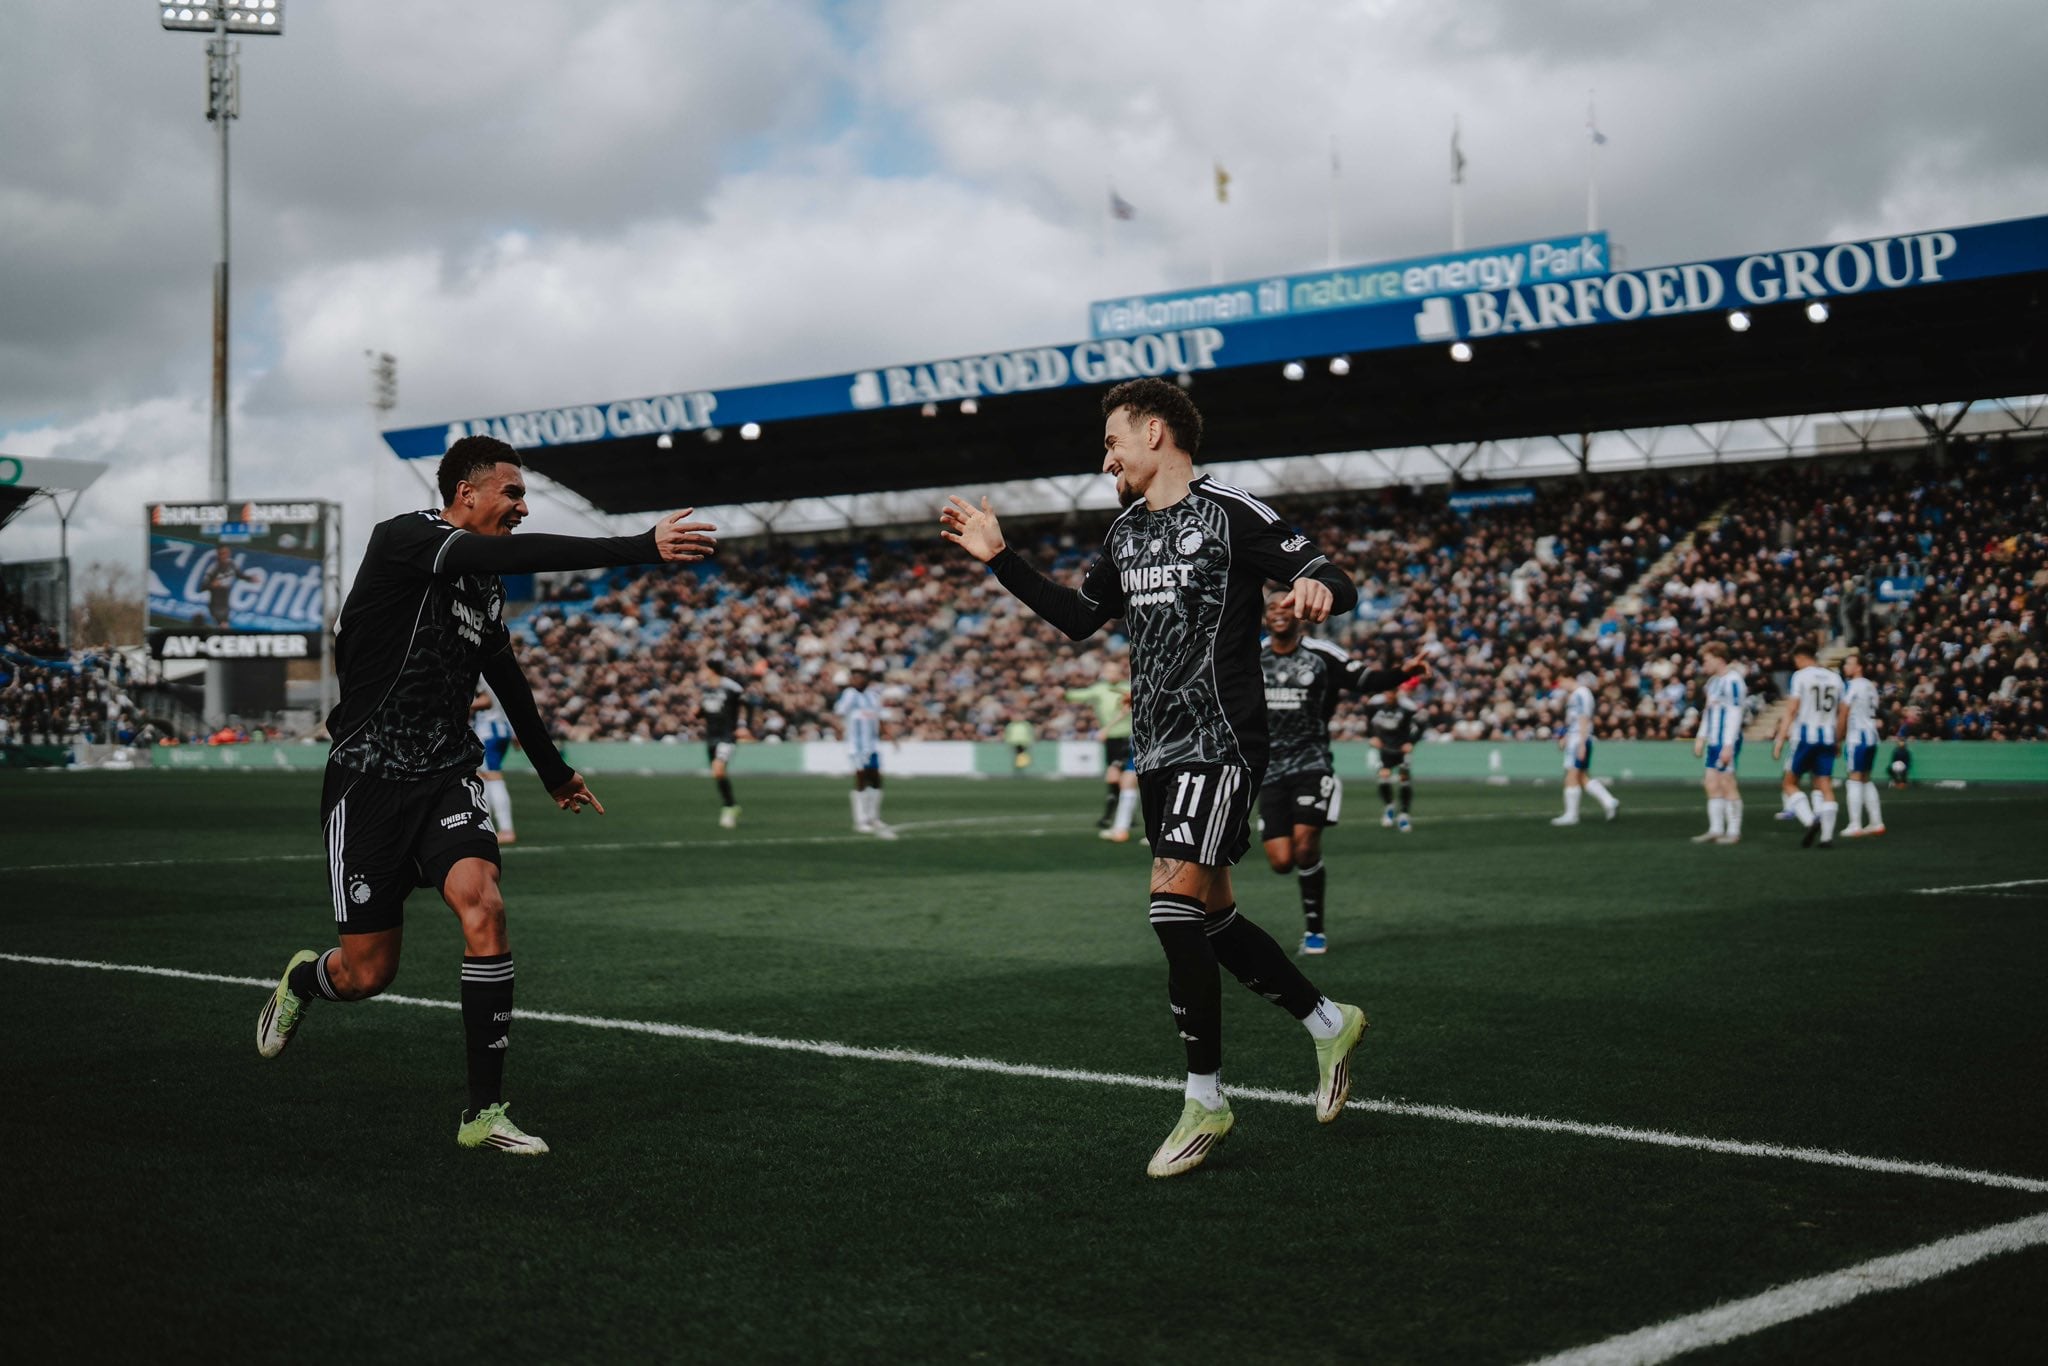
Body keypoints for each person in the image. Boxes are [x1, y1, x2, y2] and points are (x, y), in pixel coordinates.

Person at [940, 376, 1367, 1180]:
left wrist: (1318, 588)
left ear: (1156, 433)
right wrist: (1001, 560)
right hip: (1159, 751)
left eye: (1112, 442)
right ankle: (1326, 1021)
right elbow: (1077, 619)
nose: (1106, 460)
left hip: (1223, 742)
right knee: (1211, 920)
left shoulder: (1235, 514)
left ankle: (1205, 1099)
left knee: (1170, 909)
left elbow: (1329, 574)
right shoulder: (1128, 531)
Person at [253, 434, 716, 1155]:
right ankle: (305, 982)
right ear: (465, 493)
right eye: (513, 493)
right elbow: (496, 554)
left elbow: (506, 677)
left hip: (445, 775)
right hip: (368, 781)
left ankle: (483, 1114)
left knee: (485, 904)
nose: (522, 507)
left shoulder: (484, 588)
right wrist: (636, 545)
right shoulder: (407, 540)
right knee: (368, 972)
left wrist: (554, 771)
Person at [1259, 594, 1426, 954]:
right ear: (1265, 617)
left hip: (1312, 760)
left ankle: (1315, 930)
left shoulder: (1322, 654)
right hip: (1268, 767)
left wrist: (1403, 673)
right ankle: (1307, 870)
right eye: (1272, 608)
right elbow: (1211, 688)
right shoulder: (1251, 656)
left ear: (1300, 614)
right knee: (1281, 861)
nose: (1279, 613)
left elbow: (1365, 679)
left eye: (1286, 607)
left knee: (1305, 846)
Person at [1773, 643, 1845, 849]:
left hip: (1806, 737)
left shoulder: (1801, 676)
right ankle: (1827, 837)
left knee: (1789, 783)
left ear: (1799, 658)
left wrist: (1780, 739)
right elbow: (1842, 714)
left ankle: (1810, 820)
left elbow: (1792, 710)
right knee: (1824, 785)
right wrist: (1838, 740)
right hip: (1828, 737)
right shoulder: (1835, 678)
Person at [1065, 658, 1138, 841]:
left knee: (1122, 778)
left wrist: (1106, 728)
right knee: (1120, 779)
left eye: (1113, 670)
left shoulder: (1128, 687)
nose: (1110, 673)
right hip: (1112, 740)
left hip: (1128, 738)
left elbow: (1130, 709)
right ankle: (1122, 821)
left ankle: (1114, 819)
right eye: (1108, 670)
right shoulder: (1099, 689)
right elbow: (1080, 695)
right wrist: (1064, 694)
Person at [1690, 643, 1745, 845]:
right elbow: (1709, 711)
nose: (1703, 664)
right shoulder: (1713, 682)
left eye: (1706, 659)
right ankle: (1715, 829)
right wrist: (1701, 737)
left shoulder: (1733, 681)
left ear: (1718, 658)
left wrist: (1728, 745)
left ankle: (1733, 832)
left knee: (1727, 782)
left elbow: (1735, 713)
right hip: (1714, 740)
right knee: (1711, 783)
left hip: (1725, 741)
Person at [1551, 671, 1620, 826]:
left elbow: (1584, 718)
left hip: (1579, 739)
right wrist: (1566, 737)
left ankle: (1571, 815)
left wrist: (1581, 743)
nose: (1560, 686)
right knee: (1581, 777)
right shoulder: (1578, 694)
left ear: (1568, 677)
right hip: (1576, 738)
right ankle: (1609, 802)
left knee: (1571, 776)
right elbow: (1575, 720)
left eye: (1560, 681)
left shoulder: (1581, 693)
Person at [835, 667, 894, 839]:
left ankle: (873, 817)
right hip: (857, 746)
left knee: (876, 780)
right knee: (861, 779)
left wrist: (890, 736)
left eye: (859, 677)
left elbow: (879, 718)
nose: (855, 680)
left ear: (867, 679)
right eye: (853, 677)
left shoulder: (873, 696)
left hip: (873, 745)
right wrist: (839, 731)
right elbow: (838, 714)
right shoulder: (849, 695)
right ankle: (860, 821)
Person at [1367, 679, 1424, 834]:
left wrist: (1411, 742)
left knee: (1404, 778)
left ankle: (1404, 814)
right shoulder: (1375, 705)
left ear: (1397, 692)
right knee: (1383, 776)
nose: (1389, 695)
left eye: (1392, 692)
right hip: (1385, 747)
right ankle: (1389, 806)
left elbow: (1421, 724)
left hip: (1401, 748)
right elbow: (1368, 721)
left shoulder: (1407, 707)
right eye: (1387, 692)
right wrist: (1372, 736)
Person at [1840, 653, 1887, 838]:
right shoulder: (1871, 686)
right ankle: (1876, 822)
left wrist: (1837, 737)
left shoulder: (1851, 686)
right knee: (1866, 778)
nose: (1846, 667)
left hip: (1857, 737)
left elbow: (1844, 712)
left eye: (1849, 664)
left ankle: (1855, 824)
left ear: (1858, 667)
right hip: (1872, 736)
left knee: (1854, 778)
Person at [699, 659, 751, 828]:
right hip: (711, 735)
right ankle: (732, 805)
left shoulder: (732, 687)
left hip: (727, 736)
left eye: (704, 668)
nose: (701, 672)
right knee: (717, 773)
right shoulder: (705, 689)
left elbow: (748, 704)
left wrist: (744, 726)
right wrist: (697, 713)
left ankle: (728, 807)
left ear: (711, 670)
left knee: (718, 768)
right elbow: (706, 710)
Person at [470, 687, 518, 845]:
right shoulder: (498, 671)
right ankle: (486, 824)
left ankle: (506, 829)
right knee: (483, 777)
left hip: (488, 730)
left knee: (491, 776)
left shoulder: (480, 674)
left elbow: (486, 701)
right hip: (501, 728)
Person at [199, 544, 257, 628]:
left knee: (224, 626)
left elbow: (239, 574)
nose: (224, 555)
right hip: (216, 604)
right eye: (222, 553)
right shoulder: (213, 568)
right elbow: (202, 587)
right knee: (224, 626)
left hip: (225, 603)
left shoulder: (231, 564)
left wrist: (250, 578)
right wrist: (211, 585)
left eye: (226, 553)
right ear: (218, 554)